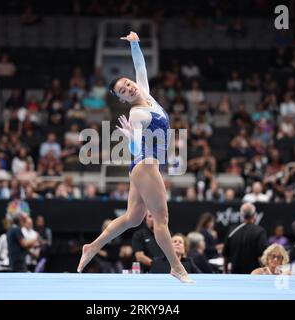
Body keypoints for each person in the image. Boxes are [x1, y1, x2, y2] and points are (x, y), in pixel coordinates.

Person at [77, 31, 194, 283]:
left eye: (127, 83)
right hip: (145, 163)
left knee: (133, 218)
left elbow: (140, 65)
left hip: (143, 166)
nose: (128, 88)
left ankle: (93, 246)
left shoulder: (147, 94)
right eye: (123, 91)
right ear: (121, 98)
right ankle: (177, 267)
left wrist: (135, 43)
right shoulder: (137, 114)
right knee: (161, 220)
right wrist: (131, 137)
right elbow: (134, 150)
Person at [223, 203, 268, 274]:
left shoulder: (232, 231)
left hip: (235, 274)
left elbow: (226, 256)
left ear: (241, 215)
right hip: (253, 275)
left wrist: (225, 272)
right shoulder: (260, 231)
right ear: (254, 215)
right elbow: (261, 256)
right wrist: (265, 273)